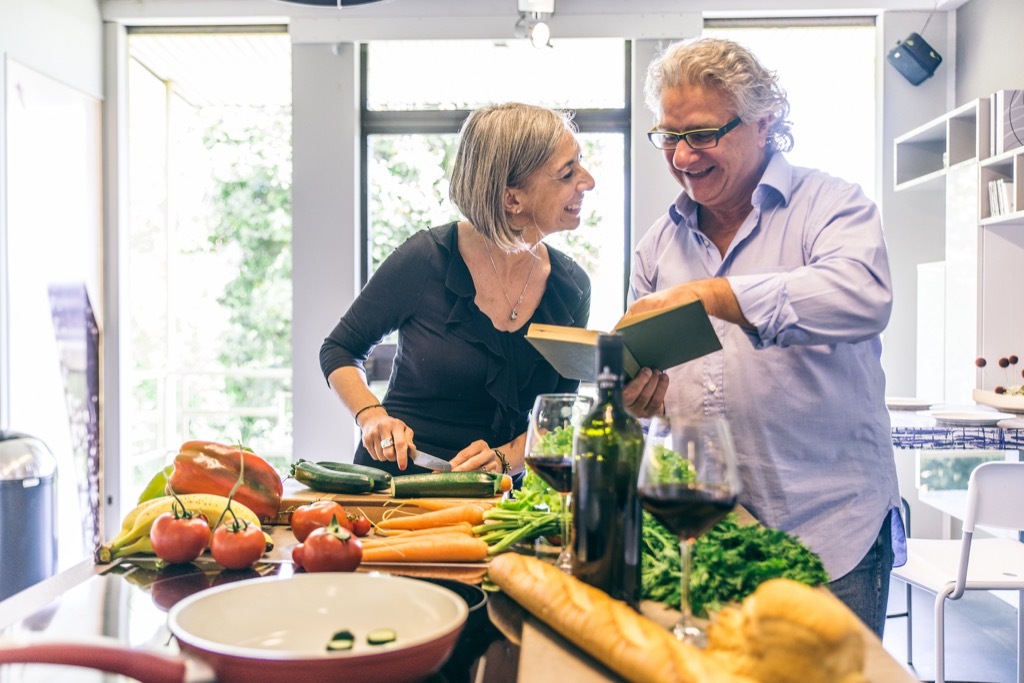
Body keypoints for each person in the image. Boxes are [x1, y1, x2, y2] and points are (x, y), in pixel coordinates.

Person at [627, 37, 905, 637]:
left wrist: (715, 294)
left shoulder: (833, 205)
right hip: (708, 536)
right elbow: (659, 389)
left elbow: (861, 295)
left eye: (701, 135)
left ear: (764, 123)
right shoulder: (657, 244)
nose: (681, 156)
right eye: (669, 136)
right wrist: (639, 399)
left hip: (832, 532)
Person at [320, 102, 667, 480]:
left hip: (496, 500)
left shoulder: (572, 287)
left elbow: (557, 417)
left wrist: (503, 459)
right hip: (397, 487)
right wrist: (371, 415)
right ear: (512, 199)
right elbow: (340, 349)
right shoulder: (424, 259)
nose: (588, 181)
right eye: (567, 173)